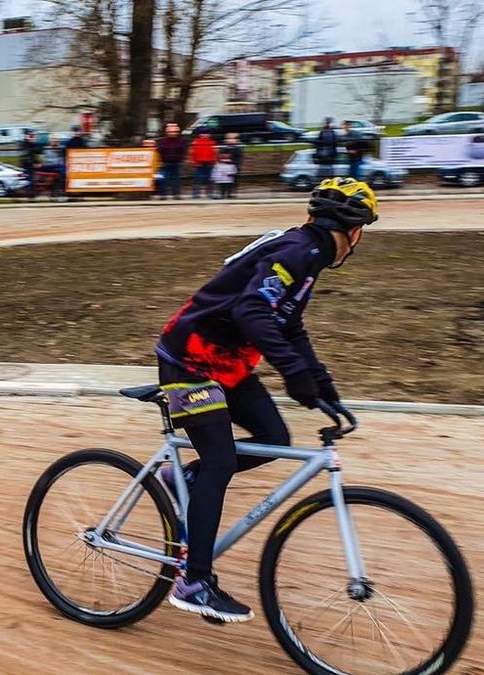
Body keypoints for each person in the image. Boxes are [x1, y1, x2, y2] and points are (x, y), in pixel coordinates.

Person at [155, 177, 379, 622]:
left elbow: (290, 326)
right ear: (353, 232)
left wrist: (320, 383)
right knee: (219, 460)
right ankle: (193, 582)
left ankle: (187, 481)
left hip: (226, 362)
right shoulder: (300, 252)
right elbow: (251, 310)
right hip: (189, 359)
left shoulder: (307, 256)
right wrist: (294, 374)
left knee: (274, 435)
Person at [156, 123, 186, 200]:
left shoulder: (181, 141)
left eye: (174, 132)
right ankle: (163, 195)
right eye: (170, 132)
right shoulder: (162, 141)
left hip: (177, 163)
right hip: (165, 163)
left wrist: (181, 159)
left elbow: (183, 151)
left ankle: (177, 194)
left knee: (176, 180)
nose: (172, 134)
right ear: (167, 132)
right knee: (163, 180)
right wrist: (160, 161)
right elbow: (158, 152)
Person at [189, 132, 217, 198]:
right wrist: (194, 162)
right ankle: (196, 194)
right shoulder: (195, 142)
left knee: (210, 179)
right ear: (199, 134)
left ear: (209, 134)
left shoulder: (212, 143)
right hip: (198, 163)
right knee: (197, 179)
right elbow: (191, 153)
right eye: (203, 133)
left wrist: (214, 162)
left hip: (209, 163)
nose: (205, 135)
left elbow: (215, 153)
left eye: (206, 133)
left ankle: (210, 193)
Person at [20, 129, 41, 201]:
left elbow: (37, 152)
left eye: (32, 135)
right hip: (27, 166)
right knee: (30, 180)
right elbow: (26, 156)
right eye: (30, 135)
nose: (31, 137)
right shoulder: (24, 144)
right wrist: (34, 163)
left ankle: (33, 194)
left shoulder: (31, 144)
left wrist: (37, 162)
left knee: (35, 179)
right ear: (26, 136)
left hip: (31, 165)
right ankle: (30, 196)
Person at [222, 132, 244, 197]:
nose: (231, 140)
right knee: (224, 180)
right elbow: (222, 156)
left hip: (234, 166)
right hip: (225, 166)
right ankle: (223, 193)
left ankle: (230, 193)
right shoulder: (224, 147)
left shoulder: (238, 147)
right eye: (229, 138)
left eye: (233, 138)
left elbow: (239, 157)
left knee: (233, 180)